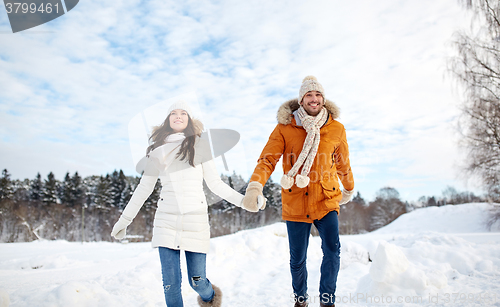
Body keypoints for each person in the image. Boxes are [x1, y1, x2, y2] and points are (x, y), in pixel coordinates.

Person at [111, 101, 261, 307]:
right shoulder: (157, 150)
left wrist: (244, 202)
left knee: (197, 281)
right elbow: (143, 188)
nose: (178, 116)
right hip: (166, 220)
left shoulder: (200, 146)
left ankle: (211, 298)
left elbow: (216, 184)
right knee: (170, 284)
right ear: (168, 119)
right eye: (173, 113)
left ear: (190, 120)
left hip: (195, 221)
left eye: (183, 113)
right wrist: (124, 220)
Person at [241, 76, 355, 307]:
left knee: (332, 251)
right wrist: (255, 185)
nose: (314, 99)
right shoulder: (285, 128)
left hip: (326, 199)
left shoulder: (336, 128)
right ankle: (301, 299)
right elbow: (268, 159)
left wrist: (349, 188)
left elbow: (343, 162)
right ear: (301, 100)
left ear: (323, 99)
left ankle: (327, 300)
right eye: (309, 95)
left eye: (318, 95)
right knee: (297, 259)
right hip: (296, 201)